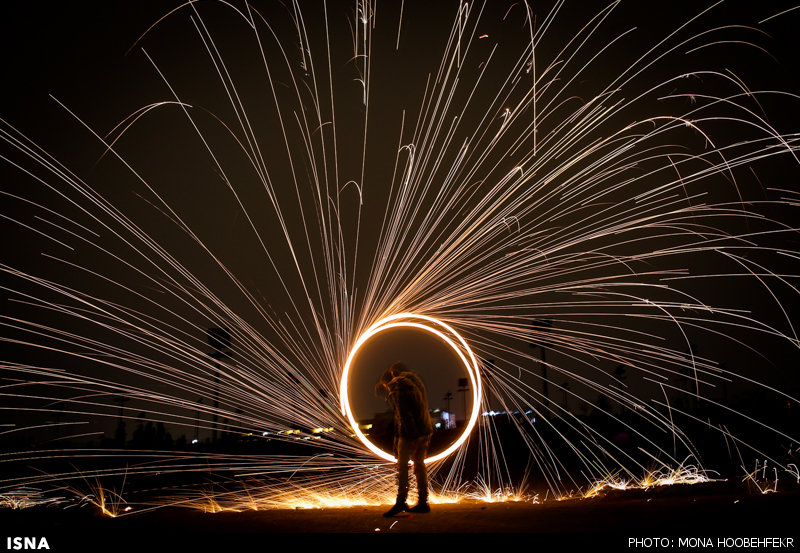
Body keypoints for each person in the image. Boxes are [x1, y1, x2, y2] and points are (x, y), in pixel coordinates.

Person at [374, 362, 434, 517]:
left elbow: (404, 415)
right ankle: (423, 502)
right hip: (425, 429)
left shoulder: (397, 387)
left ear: (389, 381)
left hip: (411, 434)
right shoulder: (414, 383)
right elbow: (417, 409)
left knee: (402, 468)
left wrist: (412, 436)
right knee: (419, 466)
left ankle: (401, 502)